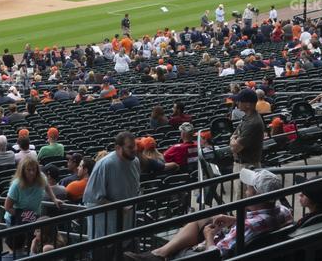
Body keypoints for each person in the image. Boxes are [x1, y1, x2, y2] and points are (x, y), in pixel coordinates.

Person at [124, 169, 293, 260]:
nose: (246, 192)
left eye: (249, 188)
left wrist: (209, 237)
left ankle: (159, 255)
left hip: (208, 256)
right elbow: (258, 223)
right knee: (205, 216)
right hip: (253, 249)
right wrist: (234, 220)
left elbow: (215, 255)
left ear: (256, 195)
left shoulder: (249, 225)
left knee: (195, 234)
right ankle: (158, 254)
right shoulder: (284, 212)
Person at [83, 132, 140, 241]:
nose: (134, 149)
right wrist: (119, 207)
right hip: (105, 232)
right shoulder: (105, 164)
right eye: (130, 147)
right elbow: (92, 199)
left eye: (135, 146)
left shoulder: (135, 161)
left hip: (128, 229)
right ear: (118, 148)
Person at [5, 156, 62, 227]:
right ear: (23, 171)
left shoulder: (41, 177)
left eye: (34, 169)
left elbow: (47, 186)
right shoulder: (16, 185)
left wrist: (54, 199)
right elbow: (7, 207)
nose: (32, 172)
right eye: (28, 170)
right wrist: (23, 215)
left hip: (35, 217)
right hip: (16, 221)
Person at [230, 89, 265, 169]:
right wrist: (233, 138)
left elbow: (235, 148)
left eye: (240, 101)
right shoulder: (248, 117)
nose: (237, 103)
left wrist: (232, 139)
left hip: (247, 166)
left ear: (248, 104)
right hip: (244, 165)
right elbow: (234, 135)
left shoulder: (253, 123)